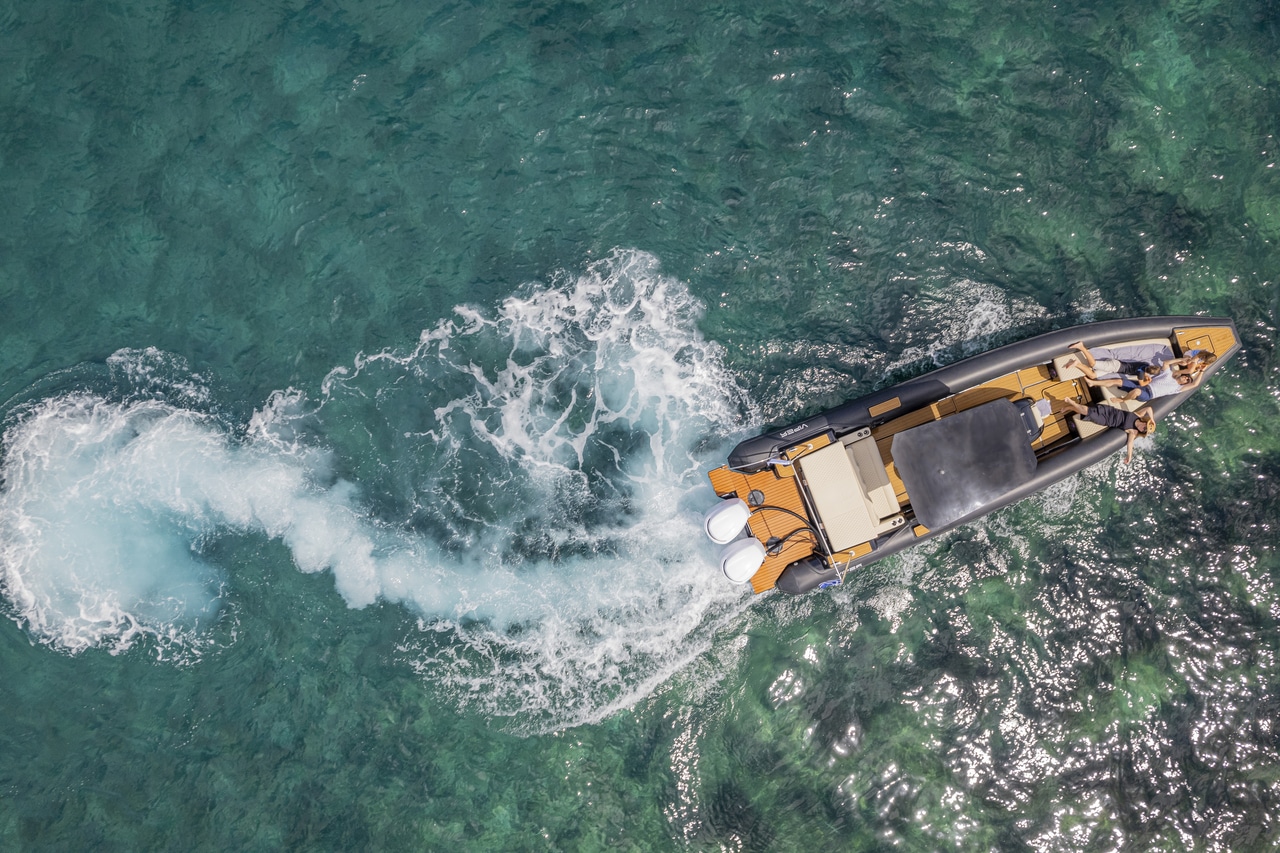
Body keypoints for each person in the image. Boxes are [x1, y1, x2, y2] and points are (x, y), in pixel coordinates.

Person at [1055, 397, 1155, 464]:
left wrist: (1129, 456)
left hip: (1106, 420)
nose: (1143, 429)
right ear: (1145, 423)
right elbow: (1149, 408)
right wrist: (1152, 420)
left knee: (1087, 412)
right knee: (1086, 410)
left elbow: (1130, 444)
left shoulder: (1134, 432)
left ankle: (1071, 403)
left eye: (1144, 431)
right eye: (1145, 428)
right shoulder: (1139, 415)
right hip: (1110, 411)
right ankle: (1070, 407)